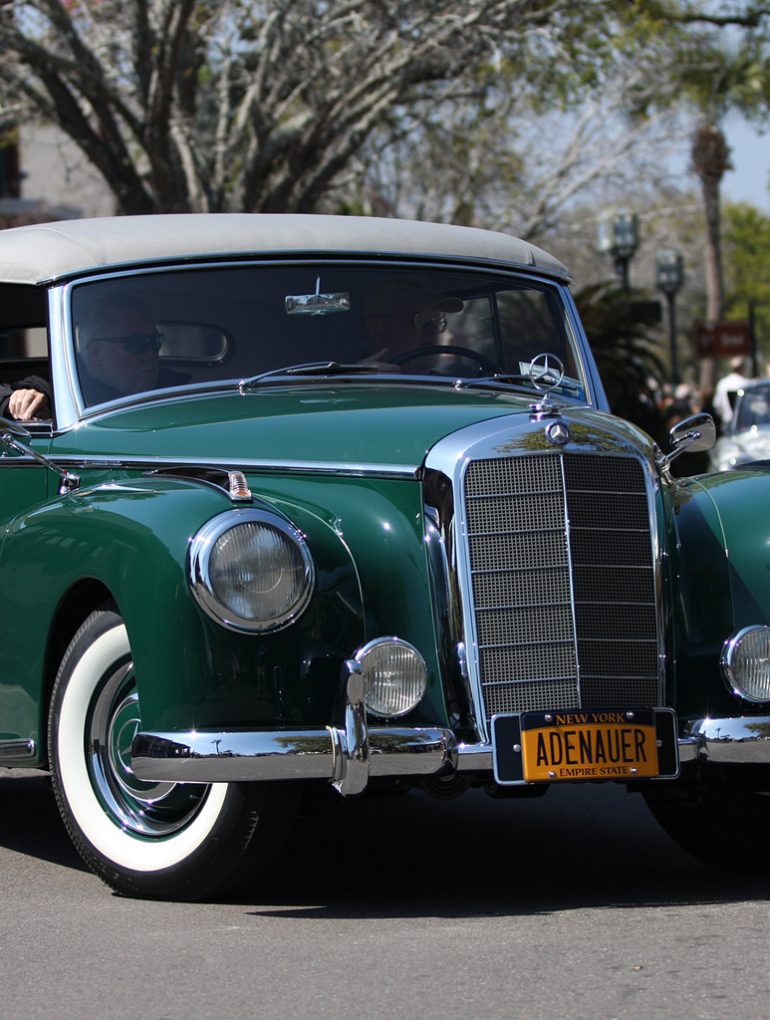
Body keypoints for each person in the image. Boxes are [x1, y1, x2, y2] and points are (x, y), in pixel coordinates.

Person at [76, 294, 185, 405]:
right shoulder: (74, 404)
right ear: (96, 353)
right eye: (136, 343)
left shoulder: (178, 389)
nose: (151, 354)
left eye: (155, 341)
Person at [361, 282, 463, 370]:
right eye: (421, 318)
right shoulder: (353, 383)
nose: (433, 329)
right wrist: (357, 377)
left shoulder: (453, 384)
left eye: (437, 318)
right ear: (378, 326)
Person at [714, 355, 751, 428]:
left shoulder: (722, 383)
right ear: (743, 368)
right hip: (745, 425)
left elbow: (717, 405)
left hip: (728, 424)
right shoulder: (746, 383)